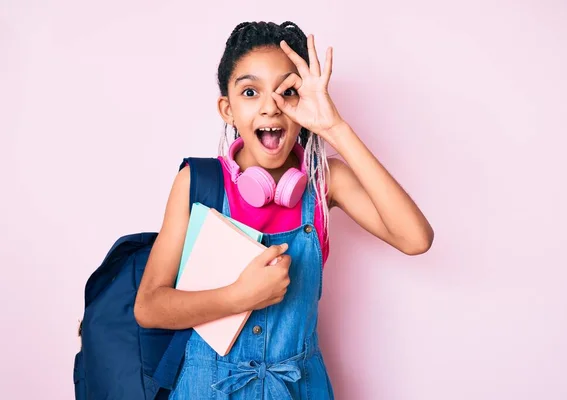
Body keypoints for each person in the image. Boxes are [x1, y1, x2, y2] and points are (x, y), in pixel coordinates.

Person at [134, 20, 434, 400]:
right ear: (227, 109)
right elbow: (149, 307)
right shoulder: (198, 182)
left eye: (287, 91)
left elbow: (416, 238)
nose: (270, 106)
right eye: (249, 91)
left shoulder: (326, 181)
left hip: (298, 389)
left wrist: (334, 127)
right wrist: (239, 297)